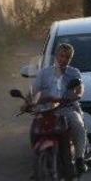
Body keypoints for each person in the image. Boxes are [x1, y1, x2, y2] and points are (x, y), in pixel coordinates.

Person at [29, 42, 87, 173]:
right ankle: (36, 160)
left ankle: (79, 159)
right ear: (56, 56)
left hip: (67, 109)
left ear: (70, 59)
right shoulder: (44, 73)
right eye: (61, 56)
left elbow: (80, 88)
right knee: (34, 129)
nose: (63, 59)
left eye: (67, 57)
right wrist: (30, 102)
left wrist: (77, 94)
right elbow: (35, 90)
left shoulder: (74, 73)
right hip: (46, 110)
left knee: (77, 124)